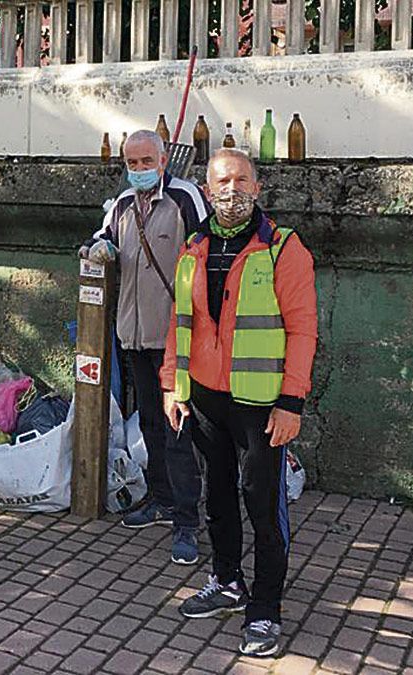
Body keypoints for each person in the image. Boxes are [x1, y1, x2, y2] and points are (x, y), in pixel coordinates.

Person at [163, 149, 317, 658]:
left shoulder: (282, 249)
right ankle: (227, 582)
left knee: (262, 504)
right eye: (223, 181)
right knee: (219, 500)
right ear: (206, 190)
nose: (233, 190)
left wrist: (291, 402)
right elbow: (179, 324)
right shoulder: (194, 247)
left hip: (261, 404)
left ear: (258, 186)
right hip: (206, 397)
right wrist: (173, 386)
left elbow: (302, 331)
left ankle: (266, 610)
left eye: (242, 180)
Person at [81, 129, 207, 565]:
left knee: (179, 430)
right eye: (131, 164)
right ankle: (161, 498)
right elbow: (101, 240)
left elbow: (207, 251)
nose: (138, 170)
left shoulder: (185, 199)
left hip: (176, 336)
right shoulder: (121, 205)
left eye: (145, 161)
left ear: (163, 158)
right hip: (133, 335)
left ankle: (188, 520)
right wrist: (99, 248)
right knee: (151, 423)